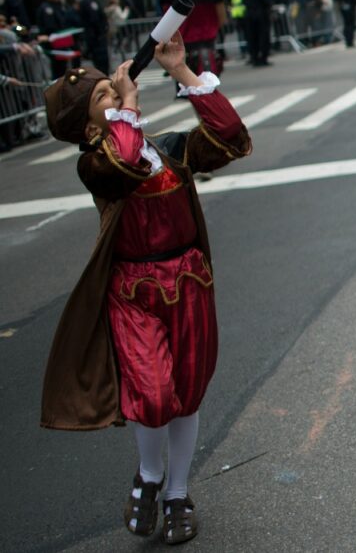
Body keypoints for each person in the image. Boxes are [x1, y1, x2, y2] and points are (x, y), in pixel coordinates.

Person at [39, 32, 252, 544]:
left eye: (111, 90)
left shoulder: (171, 150)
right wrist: (129, 104)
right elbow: (125, 161)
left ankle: (177, 492)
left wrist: (181, 73)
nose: (114, 93)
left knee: (187, 394)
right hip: (134, 292)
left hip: (190, 280)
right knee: (153, 395)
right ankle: (149, 474)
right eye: (101, 97)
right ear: (86, 125)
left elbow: (232, 138)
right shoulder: (95, 163)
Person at [36, 0, 79, 78]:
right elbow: (50, 27)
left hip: (61, 41)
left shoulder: (57, 6)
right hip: (54, 43)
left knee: (65, 67)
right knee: (58, 70)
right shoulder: (46, 8)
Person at [78, 0, 110, 74]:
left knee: (104, 64)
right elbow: (94, 20)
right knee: (101, 65)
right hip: (96, 39)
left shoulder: (93, 1)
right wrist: (101, 32)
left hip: (98, 39)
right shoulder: (88, 2)